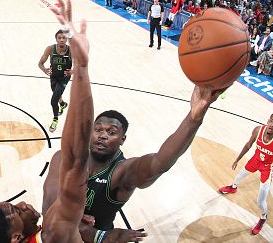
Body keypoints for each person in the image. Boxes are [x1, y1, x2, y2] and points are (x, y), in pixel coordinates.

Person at [0, 0, 96, 243]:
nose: (23, 204)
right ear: (16, 236)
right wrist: (82, 68)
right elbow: (75, 158)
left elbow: (61, 161)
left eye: (14, 204)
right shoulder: (53, 232)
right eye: (15, 211)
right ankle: (59, 109)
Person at [42, 87, 225, 242]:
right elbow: (49, 203)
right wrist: (94, 233)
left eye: (111, 132)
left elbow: (160, 162)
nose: (103, 135)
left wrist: (193, 118)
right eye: (97, 130)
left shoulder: (122, 172)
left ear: (123, 140)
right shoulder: (65, 158)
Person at [218, 114, 273, 235]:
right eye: (271, 121)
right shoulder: (258, 130)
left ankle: (263, 217)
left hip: (267, 168)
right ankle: (233, 188)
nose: (272, 125)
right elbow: (248, 145)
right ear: (268, 120)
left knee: (260, 201)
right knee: (238, 176)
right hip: (255, 160)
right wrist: (237, 159)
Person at [38, 30, 73, 133]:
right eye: (59, 38)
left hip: (64, 78)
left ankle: (55, 119)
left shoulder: (71, 50)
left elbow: (81, 64)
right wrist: (45, 70)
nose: (62, 40)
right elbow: (40, 63)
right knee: (57, 95)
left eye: (64, 38)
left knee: (54, 100)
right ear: (56, 39)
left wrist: (72, 71)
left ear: (66, 39)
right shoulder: (50, 49)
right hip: (53, 77)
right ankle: (62, 104)